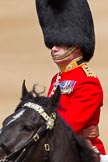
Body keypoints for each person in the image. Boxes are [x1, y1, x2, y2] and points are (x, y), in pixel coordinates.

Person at [35, 0, 106, 155]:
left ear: (76, 45)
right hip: (56, 146)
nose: (53, 48)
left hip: (82, 149)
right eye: (53, 43)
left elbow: (69, 124)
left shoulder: (88, 82)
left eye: (60, 43)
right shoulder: (57, 78)